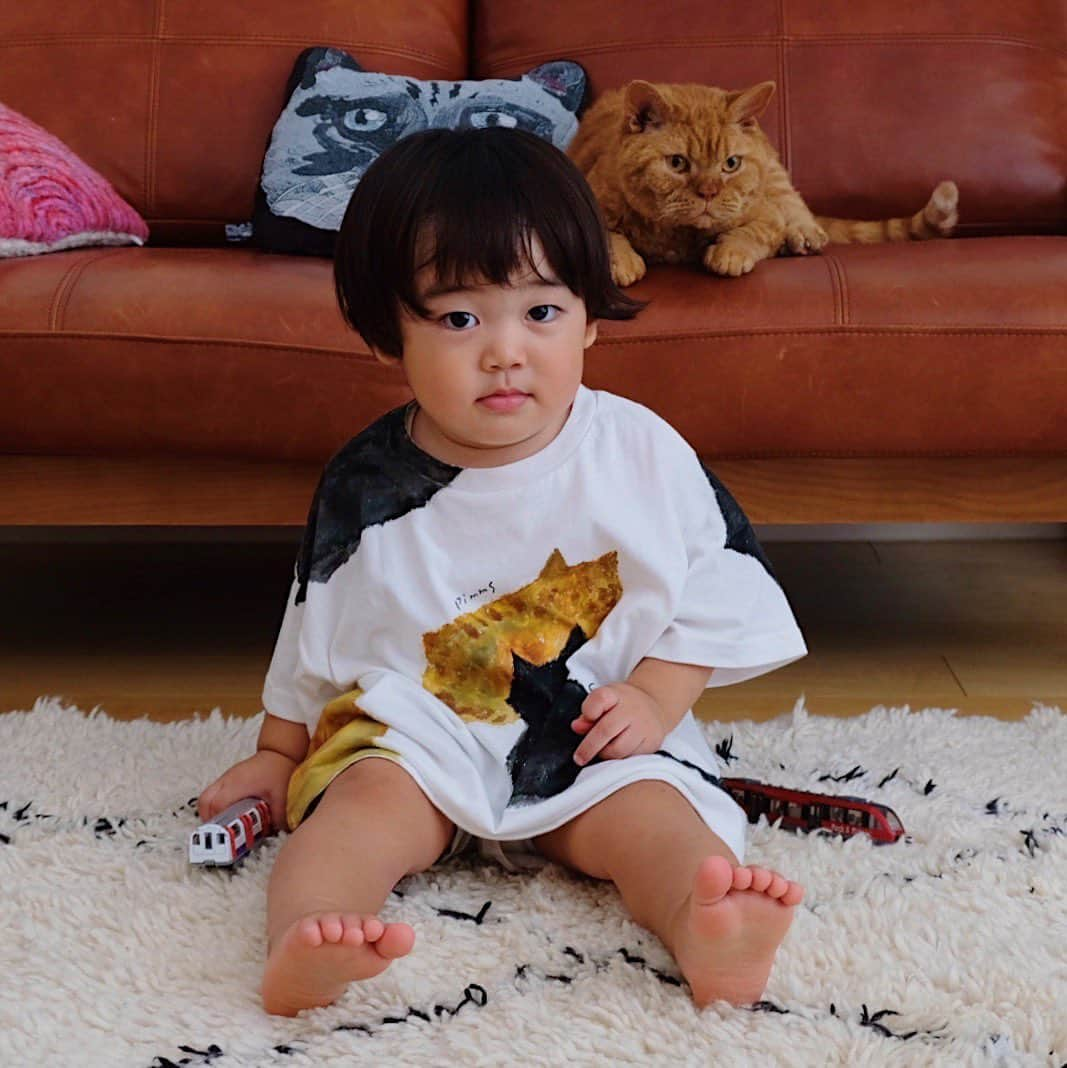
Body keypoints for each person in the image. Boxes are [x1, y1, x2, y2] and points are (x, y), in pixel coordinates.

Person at [197, 127, 808, 1018]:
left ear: (592, 316)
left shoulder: (638, 451)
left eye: (542, 312)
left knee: (655, 824)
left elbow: (717, 589)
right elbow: (314, 627)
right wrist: (274, 756)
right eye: (458, 318)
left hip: (594, 735)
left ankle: (705, 925)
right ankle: (311, 936)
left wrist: (653, 701)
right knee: (356, 813)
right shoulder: (367, 484)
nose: (505, 350)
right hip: (419, 737)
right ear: (384, 333)